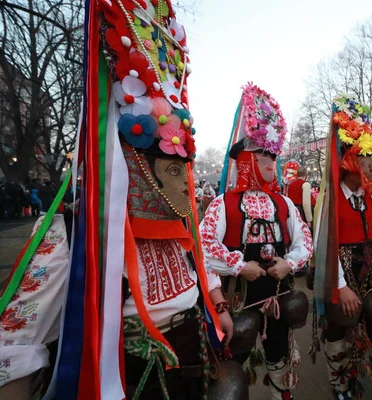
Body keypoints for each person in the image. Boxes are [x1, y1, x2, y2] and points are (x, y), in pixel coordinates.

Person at [0, 1, 238, 398]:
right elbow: (13, 349)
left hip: (194, 366)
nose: (188, 189)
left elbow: (200, 264)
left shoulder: (179, 222)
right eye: (174, 171)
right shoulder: (75, 235)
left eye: (188, 171)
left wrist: (218, 303)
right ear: (135, 168)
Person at [200, 83, 313, 400]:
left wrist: (288, 263)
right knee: (233, 365)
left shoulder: (284, 204)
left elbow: (305, 242)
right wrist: (238, 266)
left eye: (273, 156)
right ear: (247, 159)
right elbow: (204, 248)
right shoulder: (223, 204)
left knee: (279, 354)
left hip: (279, 298)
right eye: (264, 156)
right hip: (238, 303)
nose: (271, 162)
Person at [313, 94, 372, 400]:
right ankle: (341, 386)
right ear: (349, 166)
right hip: (341, 270)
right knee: (339, 327)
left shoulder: (370, 198)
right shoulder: (329, 201)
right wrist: (340, 286)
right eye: (365, 163)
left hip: (370, 270)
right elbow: (324, 247)